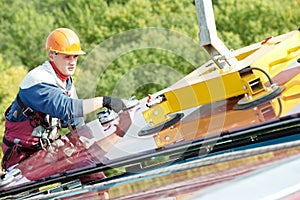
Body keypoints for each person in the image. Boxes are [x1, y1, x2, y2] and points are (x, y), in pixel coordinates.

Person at [1, 28, 130, 179]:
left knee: (95, 175)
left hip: (46, 152)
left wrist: (94, 153)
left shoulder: (66, 83)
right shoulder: (37, 81)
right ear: (51, 55)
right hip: (22, 159)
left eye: (75, 57)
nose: (72, 62)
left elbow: (77, 125)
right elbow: (67, 109)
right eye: (67, 57)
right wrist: (105, 101)